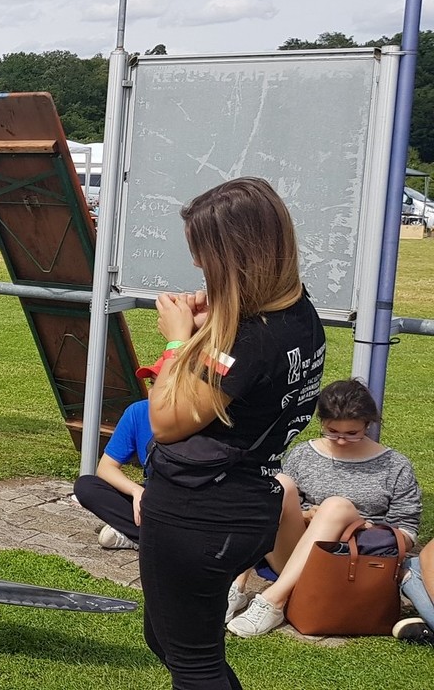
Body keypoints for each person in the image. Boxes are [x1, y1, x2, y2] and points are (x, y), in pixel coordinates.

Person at [137, 177, 325, 689]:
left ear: (234, 255)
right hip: (244, 505)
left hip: (201, 514)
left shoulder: (249, 340)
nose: (197, 264)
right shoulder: (298, 314)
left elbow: (166, 422)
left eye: (204, 254)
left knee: (193, 664)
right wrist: (207, 331)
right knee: (171, 641)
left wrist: (178, 342)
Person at [225, 379, 421, 637]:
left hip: (353, 564)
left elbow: (407, 532)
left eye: (352, 433)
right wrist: (307, 515)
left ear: (368, 424)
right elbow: (282, 509)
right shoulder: (304, 455)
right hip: (295, 554)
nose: (341, 440)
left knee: (336, 506)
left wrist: (363, 527)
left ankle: (273, 601)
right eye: (332, 432)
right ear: (322, 423)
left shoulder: (395, 465)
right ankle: (236, 585)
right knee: (279, 484)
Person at [73, 400, 155, 550]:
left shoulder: (195, 416)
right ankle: (148, 536)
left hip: (184, 498)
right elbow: (106, 467)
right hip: (151, 493)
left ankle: (139, 535)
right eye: (152, 385)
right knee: (86, 487)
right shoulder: (139, 411)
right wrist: (136, 491)